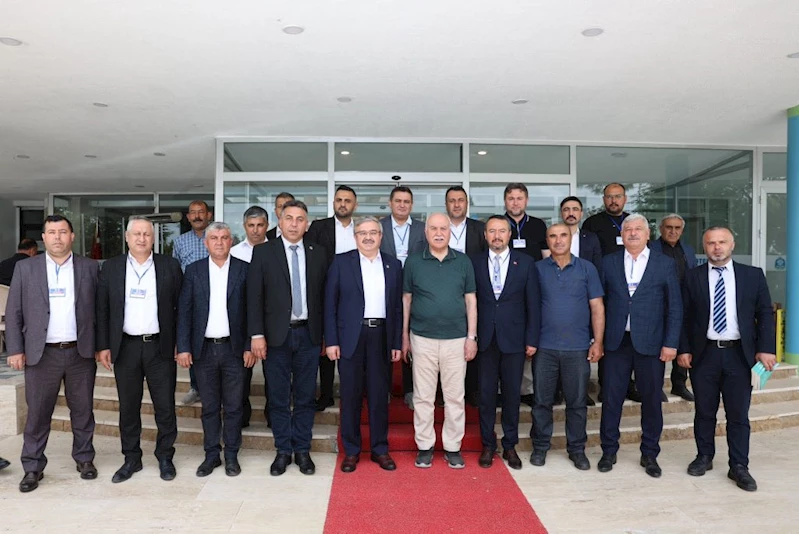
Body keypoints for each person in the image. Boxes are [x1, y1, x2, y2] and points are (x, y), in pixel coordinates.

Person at [5, 215, 99, 493]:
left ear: (72, 236)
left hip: (80, 352)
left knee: (83, 411)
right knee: (38, 413)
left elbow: (100, 310)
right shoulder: (26, 268)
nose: (57, 237)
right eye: (52, 232)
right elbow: (13, 311)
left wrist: (101, 345)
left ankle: (84, 458)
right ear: (44, 238)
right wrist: (15, 348)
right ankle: (33, 466)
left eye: (63, 232)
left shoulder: (89, 267)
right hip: (41, 354)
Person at [678, 227, 776, 492]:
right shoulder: (692, 276)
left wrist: (766, 348)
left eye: (722, 242)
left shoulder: (752, 275)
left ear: (732, 245)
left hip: (739, 355)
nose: (717, 247)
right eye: (711, 243)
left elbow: (765, 314)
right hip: (705, 354)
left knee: (738, 414)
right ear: (705, 247)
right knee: (704, 411)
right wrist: (683, 349)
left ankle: (739, 466)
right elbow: (684, 316)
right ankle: (704, 456)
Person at [96, 216, 183, 483]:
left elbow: (181, 307)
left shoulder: (169, 265)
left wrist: (181, 343)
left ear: (153, 238)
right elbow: (102, 309)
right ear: (127, 237)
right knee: (128, 407)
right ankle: (131, 458)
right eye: (137, 234)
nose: (142, 239)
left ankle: (165, 456)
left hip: (160, 347)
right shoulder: (112, 267)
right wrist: (103, 345)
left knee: (165, 406)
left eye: (146, 234)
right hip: (126, 348)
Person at [247, 200, 328, 476]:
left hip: (309, 334)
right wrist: (257, 335)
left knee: (305, 397)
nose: (294, 224)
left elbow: (325, 297)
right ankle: (283, 450)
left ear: (307, 224)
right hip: (275, 338)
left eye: (300, 219)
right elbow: (254, 297)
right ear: (279, 223)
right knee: (278, 397)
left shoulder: (319, 253)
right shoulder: (263, 252)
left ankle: (302, 450)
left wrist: (326, 335)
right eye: (289, 218)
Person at [598, 214, 682, 478]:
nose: (632, 233)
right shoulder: (608, 262)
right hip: (616, 343)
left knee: (652, 400)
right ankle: (608, 451)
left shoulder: (664, 264)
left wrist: (671, 343)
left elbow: (675, 307)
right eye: (628, 229)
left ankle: (650, 453)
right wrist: (596, 340)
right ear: (621, 235)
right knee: (611, 399)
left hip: (652, 344)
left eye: (638, 229)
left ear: (648, 234)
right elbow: (598, 305)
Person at [324, 216, 403, 473]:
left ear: (381, 236)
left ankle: (380, 449)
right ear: (355, 236)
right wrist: (331, 341)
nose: (368, 237)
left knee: (380, 396)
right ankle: (351, 451)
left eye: (373, 233)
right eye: (362, 233)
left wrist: (396, 341)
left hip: (381, 336)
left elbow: (397, 307)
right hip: (351, 338)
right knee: (351, 396)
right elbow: (330, 305)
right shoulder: (341, 262)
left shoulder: (393, 264)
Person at [402, 213, 477, 469]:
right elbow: (406, 300)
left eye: (443, 228)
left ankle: (452, 447)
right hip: (421, 337)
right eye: (433, 228)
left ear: (450, 232)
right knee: (423, 396)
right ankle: (425, 446)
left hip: (456, 339)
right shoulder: (413, 262)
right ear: (426, 233)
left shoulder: (463, 261)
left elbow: (471, 301)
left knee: (455, 396)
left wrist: (471, 337)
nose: (438, 233)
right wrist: (404, 336)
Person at [177, 222, 251, 477]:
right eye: (214, 238)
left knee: (233, 407)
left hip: (234, 350)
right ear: (206, 243)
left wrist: (249, 345)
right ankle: (211, 455)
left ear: (231, 241)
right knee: (209, 407)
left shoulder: (244, 269)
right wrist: (183, 347)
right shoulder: (194, 270)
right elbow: (184, 311)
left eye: (224, 237)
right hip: (204, 351)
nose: (219, 242)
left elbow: (252, 311)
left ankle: (231, 455)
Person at [530, 224, 604, 470]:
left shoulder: (587, 268)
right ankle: (540, 446)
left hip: (578, 348)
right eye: (553, 236)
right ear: (547, 240)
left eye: (563, 235)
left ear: (571, 238)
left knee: (577, 403)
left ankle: (577, 449)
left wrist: (598, 341)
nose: (558, 240)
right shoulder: (537, 269)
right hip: (544, 347)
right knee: (542, 401)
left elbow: (597, 307)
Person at [472, 215, 539, 470]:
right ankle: (488, 445)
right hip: (485, 340)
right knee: (486, 395)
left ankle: (510, 445)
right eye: (492, 231)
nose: (497, 236)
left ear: (510, 235)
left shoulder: (526, 263)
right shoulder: (474, 262)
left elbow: (533, 304)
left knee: (512, 395)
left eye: (502, 231)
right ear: (485, 235)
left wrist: (532, 339)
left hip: (515, 340)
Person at [307, 185, 359, 412]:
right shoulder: (319, 228)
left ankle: (353, 392)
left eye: (347, 200)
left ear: (354, 205)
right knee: (326, 343)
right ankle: (326, 394)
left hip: (354, 293)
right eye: (339, 200)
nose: (343, 204)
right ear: (333, 203)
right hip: (325, 290)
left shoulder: (361, 229)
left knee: (352, 342)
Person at [582, 183, 636, 402]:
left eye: (618, 196)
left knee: (632, 337)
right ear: (604, 199)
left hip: (633, 288)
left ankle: (630, 384)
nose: (614, 201)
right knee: (608, 337)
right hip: (606, 287)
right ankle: (607, 385)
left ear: (625, 198)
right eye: (609, 197)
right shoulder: (593, 223)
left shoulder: (634, 221)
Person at [380, 186, 426, 410]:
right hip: (384, 288)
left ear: (412, 205)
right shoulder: (379, 227)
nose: (402, 205)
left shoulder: (421, 229)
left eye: (406, 201)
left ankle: (410, 389)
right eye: (398, 201)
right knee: (385, 337)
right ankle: (384, 389)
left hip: (415, 289)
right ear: (390, 203)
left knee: (411, 338)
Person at [504, 183, 549, 409]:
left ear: (526, 201)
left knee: (530, 339)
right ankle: (504, 389)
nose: (515, 202)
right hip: (504, 292)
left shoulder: (538, 225)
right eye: (511, 198)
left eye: (519, 198)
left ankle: (527, 389)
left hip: (531, 289)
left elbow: (546, 257)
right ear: (505, 201)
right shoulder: (498, 224)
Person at [649, 213, 697, 402]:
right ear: (661, 229)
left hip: (683, 302)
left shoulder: (688, 250)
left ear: (682, 230)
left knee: (683, 343)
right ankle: (656, 386)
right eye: (669, 227)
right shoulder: (650, 247)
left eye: (677, 228)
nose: (673, 231)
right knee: (658, 346)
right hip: (658, 302)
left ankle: (679, 384)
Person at [445, 186, 486, 407]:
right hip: (445, 293)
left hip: (473, 291)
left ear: (466, 203)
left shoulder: (479, 229)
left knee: (471, 340)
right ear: (446, 204)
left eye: (460, 200)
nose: (456, 204)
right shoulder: (439, 227)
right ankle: (443, 392)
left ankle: (472, 390)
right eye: (452, 200)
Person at [230, 206, 270, 429]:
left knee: (273, 375)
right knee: (241, 375)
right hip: (241, 321)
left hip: (272, 320)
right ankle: (242, 417)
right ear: (244, 226)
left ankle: (272, 416)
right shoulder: (234, 252)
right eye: (251, 225)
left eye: (260, 225)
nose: (255, 230)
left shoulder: (276, 250)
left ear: (267, 226)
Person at [560, 196, 602, 406]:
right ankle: (558, 389)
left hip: (584, 297)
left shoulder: (590, 238)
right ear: (561, 213)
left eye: (575, 209)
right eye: (566, 209)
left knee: (581, 346)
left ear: (581, 213)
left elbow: (597, 266)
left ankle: (580, 391)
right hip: (558, 297)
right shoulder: (554, 235)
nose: (571, 213)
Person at [172, 200, 213, 406]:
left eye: (201, 212)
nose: (197, 216)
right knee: (195, 345)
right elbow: (176, 271)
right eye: (193, 213)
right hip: (192, 300)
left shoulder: (217, 236)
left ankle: (216, 389)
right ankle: (196, 387)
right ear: (188, 217)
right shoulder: (180, 241)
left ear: (209, 215)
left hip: (216, 297)